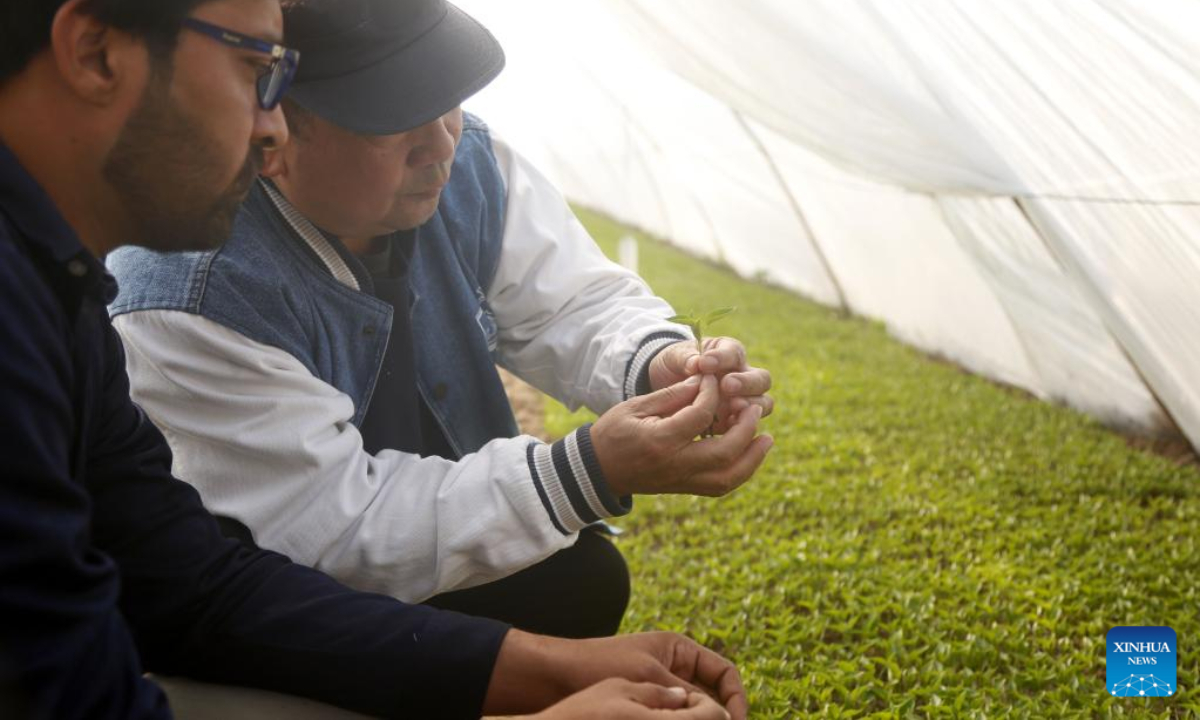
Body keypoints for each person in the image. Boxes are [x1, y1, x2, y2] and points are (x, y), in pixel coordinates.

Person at [0, 0, 748, 717]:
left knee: (573, 582)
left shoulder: (58, 295)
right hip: (309, 568)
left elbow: (194, 585)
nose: (270, 128)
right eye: (256, 69)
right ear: (96, 54)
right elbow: (316, 533)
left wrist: (547, 668)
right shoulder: (164, 298)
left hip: (260, 591)